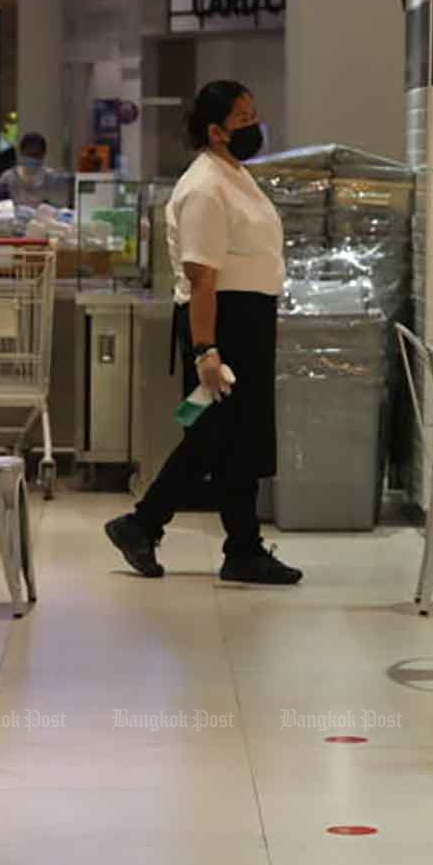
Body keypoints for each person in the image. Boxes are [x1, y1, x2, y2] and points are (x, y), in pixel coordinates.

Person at [103, 80, 301, 586]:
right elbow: (202, 278)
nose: (254, 126)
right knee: (212, 435)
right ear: (215, 131)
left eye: (254, 114)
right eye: (242, 119)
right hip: (220, 321)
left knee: (239, 440)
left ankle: (242, 549)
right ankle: (143, 522)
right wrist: (206, 349)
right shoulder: (204, 187)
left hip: (250, 319)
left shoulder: (235, 175)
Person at [0, 132, 68, 206]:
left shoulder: (50, 177)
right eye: (29, 155)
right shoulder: (8, 177)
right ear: (21, 153)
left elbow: (58, 205)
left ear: (43, 155)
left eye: (36, 155)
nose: (32, 159)